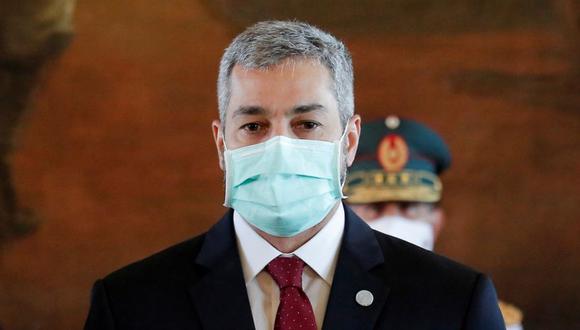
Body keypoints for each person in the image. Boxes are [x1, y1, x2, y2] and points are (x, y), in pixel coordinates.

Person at [84, 21, 505, 330]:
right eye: (253, 126)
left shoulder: (454, 302)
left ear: (350, 140)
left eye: (306, 124)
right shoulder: (130, 305)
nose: (279, 145)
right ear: (221, 144)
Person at [344, 115, 523, 330]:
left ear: (436, 222)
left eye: (409, 207)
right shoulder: (312, 302)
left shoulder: (475, 314)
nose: (392, 219)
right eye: (373, 207)